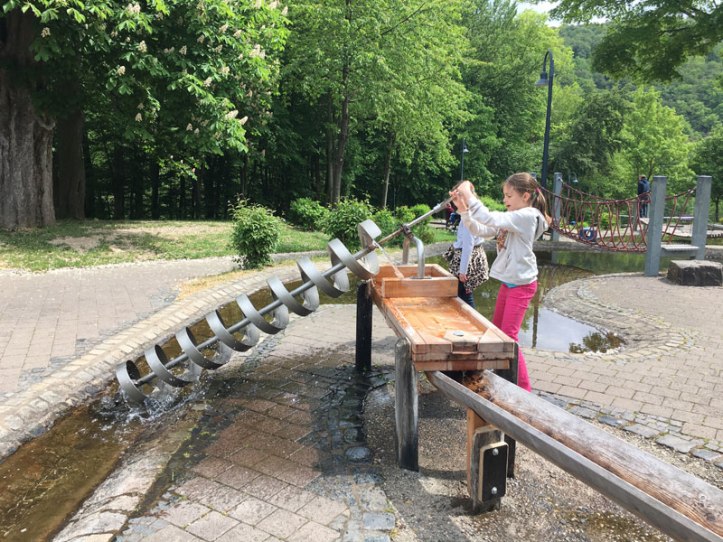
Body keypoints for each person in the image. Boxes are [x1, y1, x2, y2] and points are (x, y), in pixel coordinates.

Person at [450, 172, 550, 392]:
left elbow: (489, 218)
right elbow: (481, 229)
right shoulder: (513, 216)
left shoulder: (527, 216)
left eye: (509, 195)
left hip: (522, 285)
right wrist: (464, 210)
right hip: (509, 282)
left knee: (509, 339)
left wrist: (468, 194)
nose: (505, 200)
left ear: (525, 196)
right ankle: (503, 380)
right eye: (504, 195)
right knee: (497, 335)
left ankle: (524, 390)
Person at [443, 188, 491, 308]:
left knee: (464, 293)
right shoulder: (474, 214)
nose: (454, 203)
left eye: (455, 200)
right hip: (475, 255)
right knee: (463, 293)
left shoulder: (468, 218)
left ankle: (472, 318)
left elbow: (468, 245)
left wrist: (463, 271)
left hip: (468, 260)